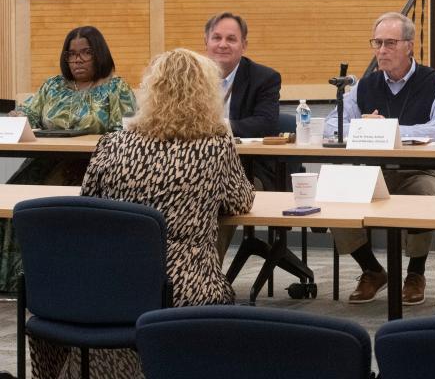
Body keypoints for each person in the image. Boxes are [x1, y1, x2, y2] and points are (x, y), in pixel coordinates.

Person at [30, 47, 255, 379]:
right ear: (208, 94)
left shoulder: (112, 144)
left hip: (111, 283)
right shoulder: (216, 145)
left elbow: (88, 206)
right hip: (182, 286)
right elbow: (239, 201)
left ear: (151, 90)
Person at [323, 11, 435, 306]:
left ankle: (415, 273)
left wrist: (390, 129)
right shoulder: (364, 85)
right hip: (375, 172)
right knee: (333, 190)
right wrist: (361, 125)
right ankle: (371, 269)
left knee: (427, 192)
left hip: (423, 171)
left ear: (410, 45)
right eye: (377, 43)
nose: (381, 50)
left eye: (390, 43)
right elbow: (330, 125)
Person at [0, 26, 135, 292]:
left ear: (99, 54)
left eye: (86, 53)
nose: (78, 60)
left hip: (96, 166)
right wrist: (18, 116)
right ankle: (18, 281)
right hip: (46, 162)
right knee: (15, 199)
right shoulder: (52, 86)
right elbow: (28, 114)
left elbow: (127, 130)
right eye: (71, 54)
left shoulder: (116, 88)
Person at [204, 11, 280, 138]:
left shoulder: (265, 78)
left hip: (245, 155)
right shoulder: (190, 77)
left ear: (244, 45)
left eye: (231, 39)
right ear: (206, 42)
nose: (222, 45)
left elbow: (267, 125)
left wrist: (219, 127)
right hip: (199, 154)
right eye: (216, 38)